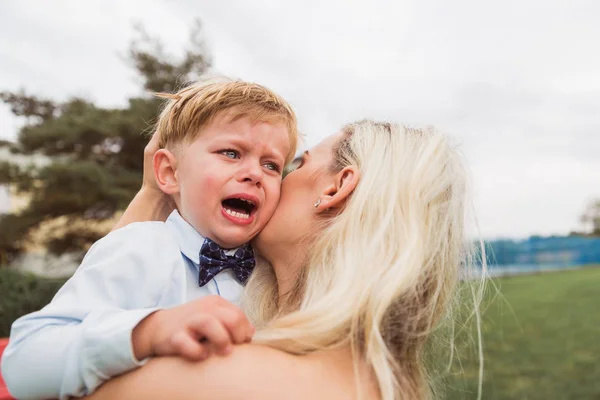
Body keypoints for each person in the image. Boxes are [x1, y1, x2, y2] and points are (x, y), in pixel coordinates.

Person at [85, 120, 481, 400]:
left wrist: (156, 194)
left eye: (293, 165)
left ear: (336, 187)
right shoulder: (375, 381)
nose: (267, 181)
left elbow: (56, 360)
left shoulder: (225, 377)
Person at [1, 77, 299, 399]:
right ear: (170, 173)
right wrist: (148, 330)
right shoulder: (141, 246)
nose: (254, 173)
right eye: (230, 152)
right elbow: (24, 362)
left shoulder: (270, 277)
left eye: (271, 165)